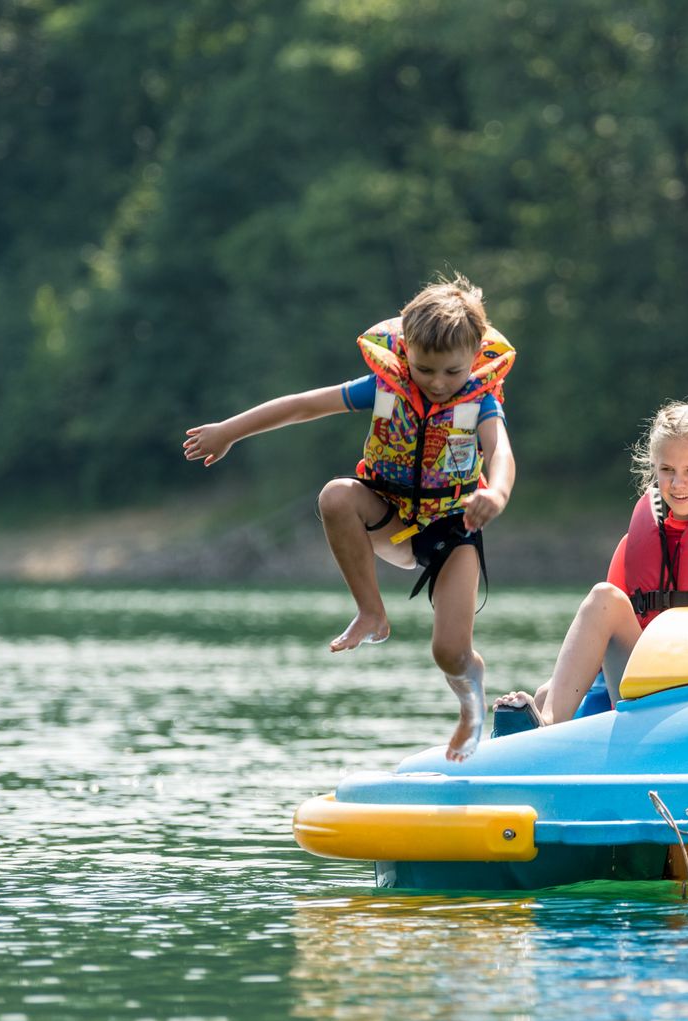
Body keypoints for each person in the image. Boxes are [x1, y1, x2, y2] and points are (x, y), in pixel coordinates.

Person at [181, 275, 515, 762]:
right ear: (405, 355)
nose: (439, 384)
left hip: (452, 527)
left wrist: (498, 494)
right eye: (425, 369)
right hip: (387, 510)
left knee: (449, 652)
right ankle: (371, 612)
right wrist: (228, 432)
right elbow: (301, 406)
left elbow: (500, 452)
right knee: (336, 496)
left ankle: (470, 700)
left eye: (452, 371)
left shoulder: (480, 402)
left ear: (474, 358)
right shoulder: (385, 388)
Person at [493, 399, 688, 728]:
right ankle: (549, 722)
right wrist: (562, 689)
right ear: (654, 468)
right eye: (667, 470)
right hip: (647, 687)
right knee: (604, 599)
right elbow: (602, 631)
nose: (676, 483)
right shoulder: (634, 545)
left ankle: (549, 720)